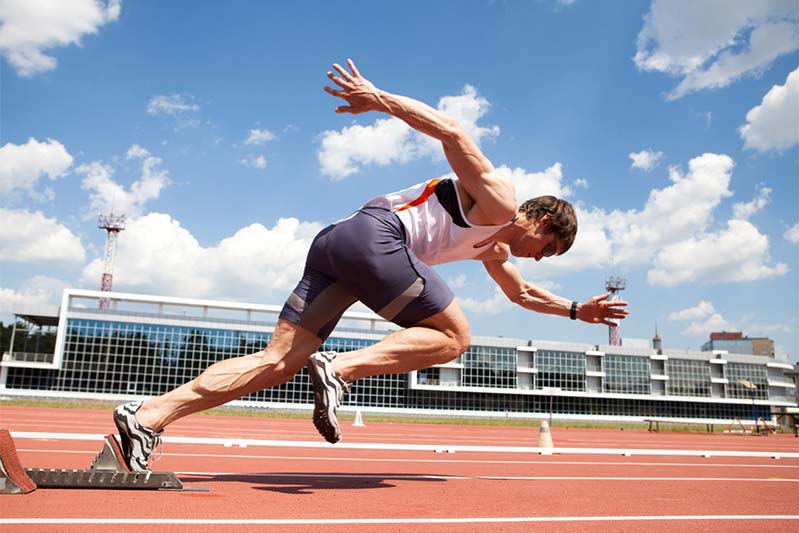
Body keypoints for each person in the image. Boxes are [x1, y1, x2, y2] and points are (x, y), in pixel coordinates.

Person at [113, 58, 628, 471]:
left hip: (337, 246)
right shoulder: (499, 201)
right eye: (548, 248)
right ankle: (340, 369)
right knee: (454, 336)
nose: (540, 257)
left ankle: (149, 417)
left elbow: (521, 295)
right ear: (539, 220)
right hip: (377, 236)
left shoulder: (491, 247)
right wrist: (377, 97)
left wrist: (576, 311)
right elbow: (452, 132)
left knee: (276, 362)